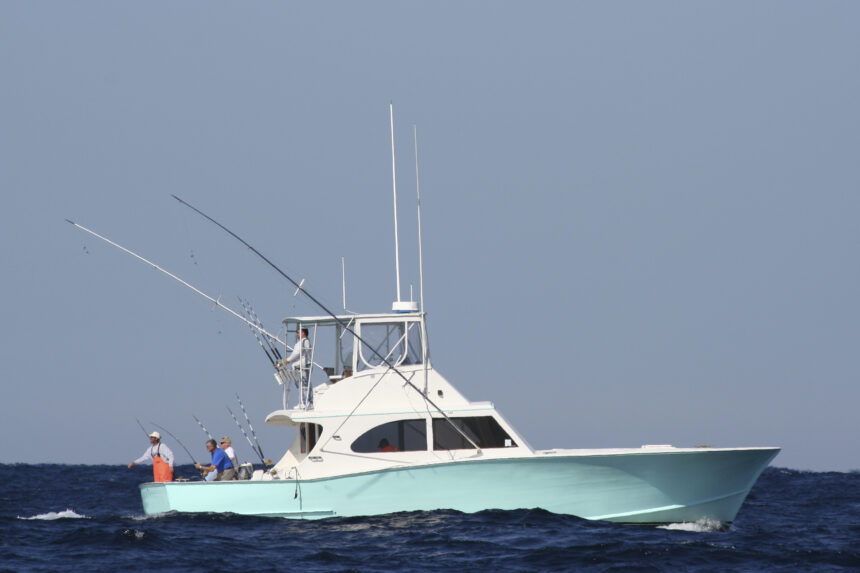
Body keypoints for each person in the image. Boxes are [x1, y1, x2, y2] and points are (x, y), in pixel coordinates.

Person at [278, 327, 312, 407]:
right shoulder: (301, 342)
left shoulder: (304, 342)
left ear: (303, 333)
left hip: (303, 367)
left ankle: (306, 402)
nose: (296, 334)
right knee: (300, 385)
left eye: (298, 332)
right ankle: (302, 402)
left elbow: (296, 354)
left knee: (304, 385)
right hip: (298, 367)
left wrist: (286, 361)